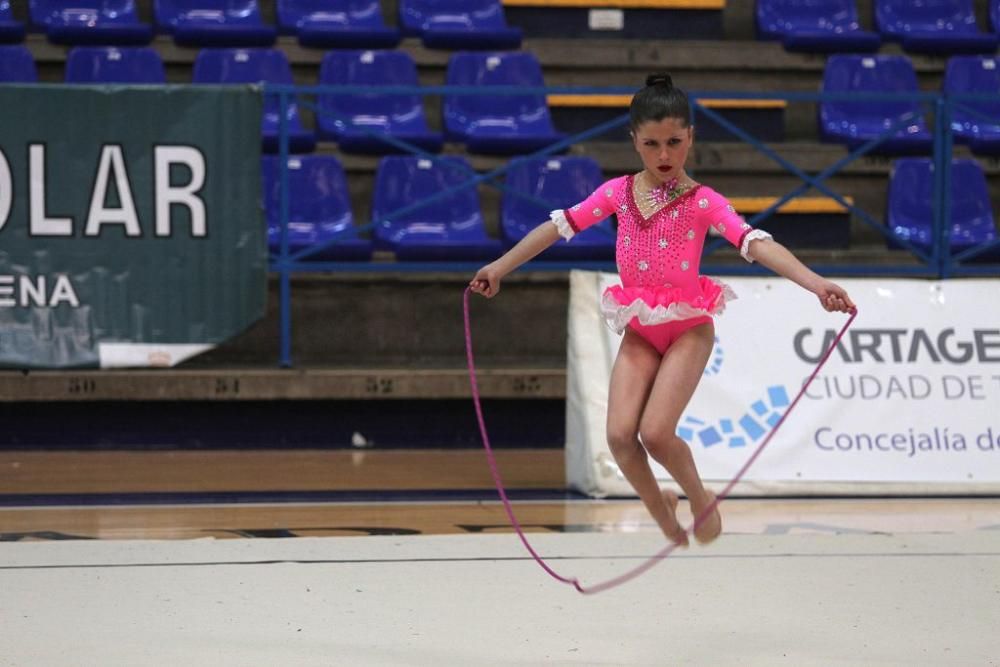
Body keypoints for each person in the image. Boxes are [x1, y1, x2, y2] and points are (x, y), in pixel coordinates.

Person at [470, 73, 855, 547]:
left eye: (674, 142)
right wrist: (500, 266)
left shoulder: (704, 201)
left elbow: (756, 243)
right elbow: (558, 228)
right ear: (634, 141)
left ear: (691, 136)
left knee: (655, 432)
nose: (665, 156)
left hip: (688, 329)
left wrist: (815, 284)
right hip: (641, 329)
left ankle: (699, 496)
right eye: (652, 144)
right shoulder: (617, 194)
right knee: (618, 437)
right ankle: (662, 509)